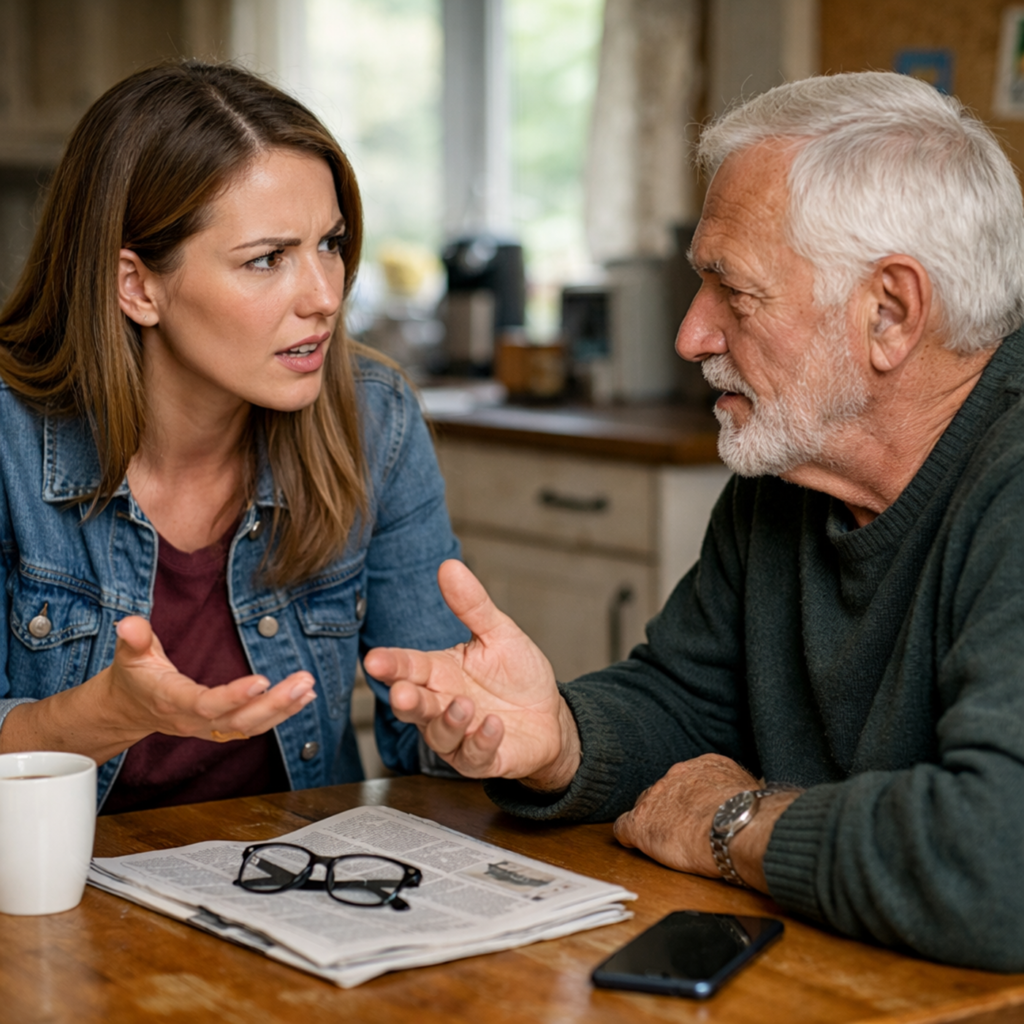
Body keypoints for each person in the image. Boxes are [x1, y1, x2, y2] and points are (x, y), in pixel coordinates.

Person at [364, 71, 1024, 971]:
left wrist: (734, 823)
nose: (691, 336)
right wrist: (559, 739)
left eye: (733, 291)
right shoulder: (792, 468)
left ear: (890, 312)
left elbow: (997, 860)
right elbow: (687, 703)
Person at [0, 61, 468, 812]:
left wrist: (478, 725)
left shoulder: (373, 420)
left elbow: (429, 746)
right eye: (267, 259)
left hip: (300, 894)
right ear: (138, 286)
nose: (325, 296)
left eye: (330, 243)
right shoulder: (9, 442)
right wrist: (100, 717)